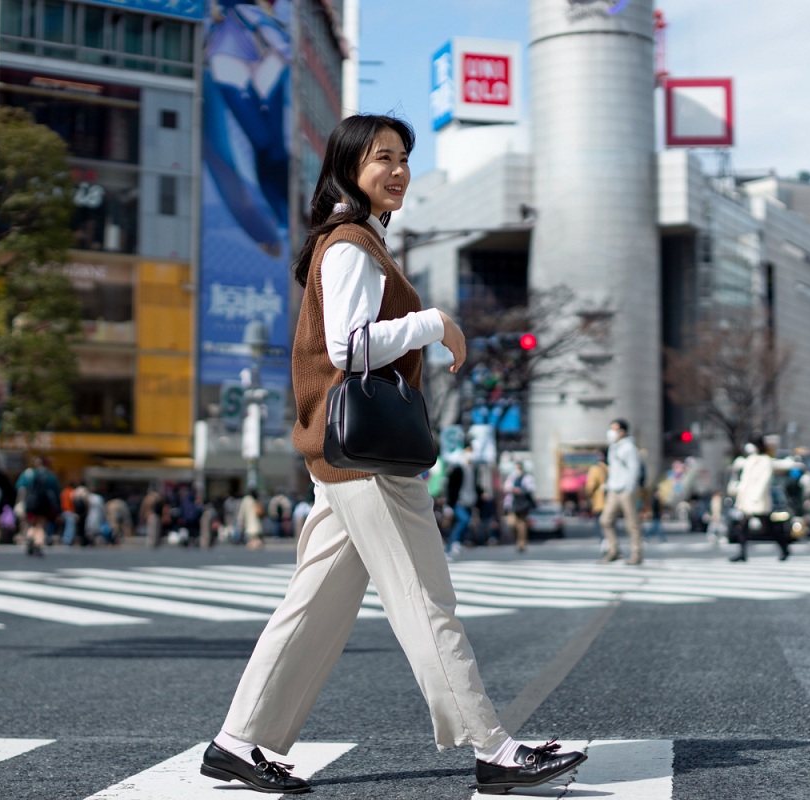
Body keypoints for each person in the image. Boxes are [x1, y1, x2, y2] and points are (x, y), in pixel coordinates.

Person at [197, 114, 585, 796]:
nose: (398, 169)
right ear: (349, 168)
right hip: (368, 462)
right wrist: (434, 323)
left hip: (346, 459)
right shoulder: (350, 245)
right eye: (383, 158)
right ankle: (493, 749)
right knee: (424, 600)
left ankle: (236, 740)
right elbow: (349, 347)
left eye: (404, 157)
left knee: (312, 609)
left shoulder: (355, 241)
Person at [728, 435, 790, 562]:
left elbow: (764, 480)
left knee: (769, 526)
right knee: (743, 526)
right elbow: (744, 479)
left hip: (758, 499)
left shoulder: (765, 461)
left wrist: (756, 495)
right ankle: (742, 553)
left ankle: (784, 547)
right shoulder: (750, 460)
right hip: (746, 499)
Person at [598, 419, 644, 565]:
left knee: (631, 523)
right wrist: (608, 485)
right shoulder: (613, 447)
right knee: (605, 520)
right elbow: (613, 469)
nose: (610, 432)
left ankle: (636, 554)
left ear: (622, 432)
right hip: (613, 488)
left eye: (614, 429)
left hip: (626, 489)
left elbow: (634, 469)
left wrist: (630, 487)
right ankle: (614, 550)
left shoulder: (629, 447)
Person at [16, 456, 59, 557]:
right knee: (40, 525)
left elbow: (20, 487)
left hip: (31, 503)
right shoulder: (50, 476)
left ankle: (30, 539)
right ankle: (38, 544)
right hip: (44, 505)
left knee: (31, 524)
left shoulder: (28, 474)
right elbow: (55, 492)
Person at [444, 445, 478, 556]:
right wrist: (448, 504)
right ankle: (455, 542)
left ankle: (450, 546)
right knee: (464, 520)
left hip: (470, 500)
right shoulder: (458, 468)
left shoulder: (474, 468)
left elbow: (475, 486)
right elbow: (450, 487)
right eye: (468, 451)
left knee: (463, 523)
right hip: (459, 500)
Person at [502, 461, 536, 553]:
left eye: (519, 468)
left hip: (523, 505)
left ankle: (521, 543)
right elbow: (506, 487)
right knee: (511, 523)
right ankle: (516, 539)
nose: (518, 470)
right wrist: (513, 489)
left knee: (522, 525)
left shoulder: (527, 478)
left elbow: (531, 488)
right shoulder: (511, 478)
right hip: (512, 504)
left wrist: (521, 490)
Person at [584, 448, 608, 542]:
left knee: (599, 522)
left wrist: (588, 494)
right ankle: (609, 538)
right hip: (610, 500)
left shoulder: (595, 469)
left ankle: (604, 539)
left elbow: (591, 485)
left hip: (599, 501)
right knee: (609, 521)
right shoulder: (608, 468)